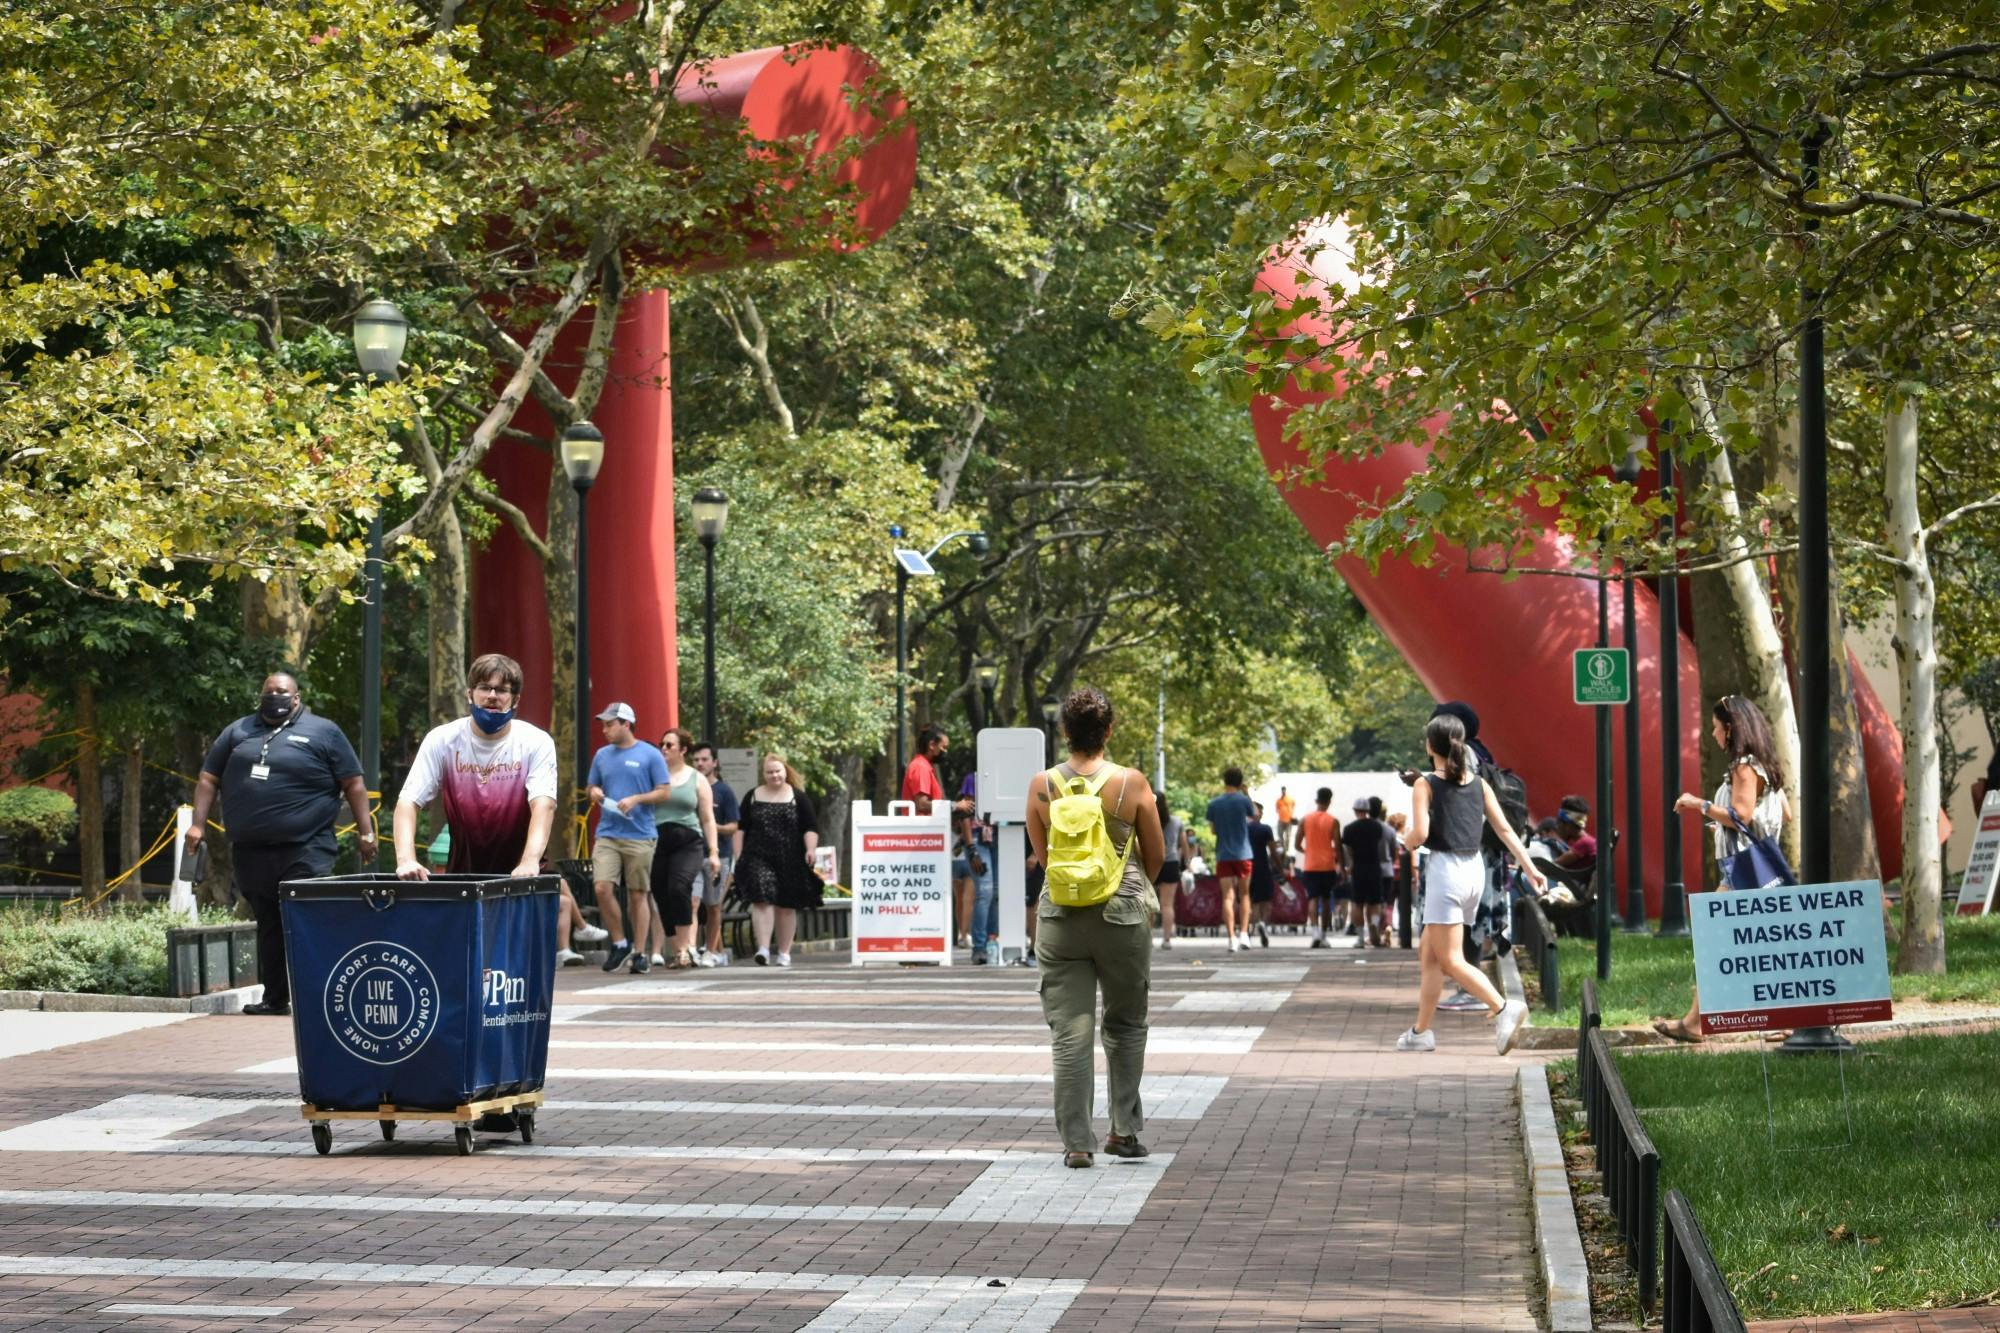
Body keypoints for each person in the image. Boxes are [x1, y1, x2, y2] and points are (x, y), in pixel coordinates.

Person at [1026, 687, 1165, 1169]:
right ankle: (1123, 1132)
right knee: (1126, 1026)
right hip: (1121, 914)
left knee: (1070, 1032)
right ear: (1108, 731)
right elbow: (1158, 854)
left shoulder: (1042, 784)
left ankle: (1077, 1143)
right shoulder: (1132, 783)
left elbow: (1043, 857)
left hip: (1060, 917)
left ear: (1064, 731)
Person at [187, 672, 373, 1018]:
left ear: (297, 698)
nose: (275, 696)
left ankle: (320, 997)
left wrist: (366, 831)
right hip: (251, 849)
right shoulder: (238, 731)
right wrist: (198, 824)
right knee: (269, 923)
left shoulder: (324, 732)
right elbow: (208, 778)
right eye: (269, 692)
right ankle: (275, 998)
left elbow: (354, 784)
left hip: (306, 847)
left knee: (305, 918)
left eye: (282, 692)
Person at [1395, 713, 1546, 1054]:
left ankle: (1503, 1008)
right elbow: (1506, 830)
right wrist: (1530, 868)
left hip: (1446, 872)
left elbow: (1418, 835)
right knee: (1429, 954)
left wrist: (1405, 841)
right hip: (1473, 871)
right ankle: (1420, 1033)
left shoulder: (1425, 784)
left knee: (1450, 960)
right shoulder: (1479, 783)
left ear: (1430, 745)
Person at [1654, 694, 1793, 1043]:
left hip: (1746, 871)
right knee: (1746, 944)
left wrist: (1697, 804)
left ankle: (1698, 1023)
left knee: (1714, 938)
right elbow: (1782, 814)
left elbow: (1741, 815)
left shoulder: (1743, 767)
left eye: (1716, 728)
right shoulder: (1765, 766)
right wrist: (1727, 829)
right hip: (1757, 870)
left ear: (1730, 729)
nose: (1713, 735)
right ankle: (1696, 1021)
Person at [394, 654, 559, 885]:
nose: (492, 696)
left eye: (501, 690)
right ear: (470, 693)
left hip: (521, 879)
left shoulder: (535, 741)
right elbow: (408, 802)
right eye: (484, 688)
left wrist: (530, 861)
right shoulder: (442, 740)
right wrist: (406, 860)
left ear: (515, 699)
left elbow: (544, 805)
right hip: (462, 877)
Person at [584, 703, 668, 973]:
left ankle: (639, 953)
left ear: (626, 724)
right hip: (608, 832)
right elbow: (591, 786)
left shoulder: (650, 754)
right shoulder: (601, 755)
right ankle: (619, 942)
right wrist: (594, 792)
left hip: (640, 834)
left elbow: (664, 792)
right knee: (601, 888)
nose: (604, 729)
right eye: (604, 724)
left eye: (610, 724)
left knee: (637, 894)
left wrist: (636, 799)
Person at [732, 753, 820, 967]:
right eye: (769, 772)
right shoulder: (752, 796)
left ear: (785, 771)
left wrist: (810, 849)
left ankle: (784, 952)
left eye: (777, 771)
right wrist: (739, 856)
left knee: (786, 905)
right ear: (764, 774)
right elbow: (740, 828)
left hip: (790, 855)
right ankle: (762, 949)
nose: (774, 775)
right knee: (761, 898)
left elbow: (810, 827)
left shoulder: (797, 796)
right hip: (757, 855)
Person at [646, 727, 722, 971]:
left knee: (679, 887)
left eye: (669, 745)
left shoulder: (696, 778)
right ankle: (679, 949)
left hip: (689, 841)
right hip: (658, 840)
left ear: (683, 750)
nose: (664, 749)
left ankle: (685, 948)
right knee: (660, 892)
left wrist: (714, 852)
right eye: (662, 744)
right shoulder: (654, 776)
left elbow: (708, 818)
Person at [689, 741, 741, 967]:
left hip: (719, 857)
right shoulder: (688, 788)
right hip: (691, 854)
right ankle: (689, 949)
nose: (700, 764)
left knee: (713, 906)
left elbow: (733, 827)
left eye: (704, 759)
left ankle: (710, 951)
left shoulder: (724, 791)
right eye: (696, 760)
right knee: (691, 902)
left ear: (714, 763)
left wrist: (710, 827)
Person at [1206, 768, 1256, 952]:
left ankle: (1231, 938)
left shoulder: (1215, 803)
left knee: (1227, 897)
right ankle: (1244, 934)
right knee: (1244, 894)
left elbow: (1213, 830)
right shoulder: (1243, 800)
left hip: (1223, 854)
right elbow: (1255, 815)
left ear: (1224, 781)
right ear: (1240, 781)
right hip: (1243, 854)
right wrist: (1247, 792)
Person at [957, 772, 1001, 963]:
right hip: (978, 839)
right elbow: (965, 813)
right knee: (985, 891)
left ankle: (993, 943)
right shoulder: (973, 778)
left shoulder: (1005, 776)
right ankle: (980, 947)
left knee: (996, 893)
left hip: (1001, 837)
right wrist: (971, 848)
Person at [1340, 797, 1387, 942]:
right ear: (1368, 810)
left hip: (1358, 868)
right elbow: (1379, 845)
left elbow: (1348, 849)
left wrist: (1351, 862)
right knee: (1375, 902)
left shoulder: (1349, 829)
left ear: (1355, 811)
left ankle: (1360, 938)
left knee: (1357, 903)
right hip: (1374, 866)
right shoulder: (1377, 827)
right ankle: (1373, 925)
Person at [1299, 788, 1341, 946]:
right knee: (1325, 899)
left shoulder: (1305, 819)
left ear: (1317, 800)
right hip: (1327, 865)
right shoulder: (1333, 821)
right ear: (1329, 801)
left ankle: (1315, 932)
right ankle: (1323, 935)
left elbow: (1297, 844)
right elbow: (1337, 846)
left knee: (1312, 898)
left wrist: (1308, 851)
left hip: (1310, 865)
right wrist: (1341, 866)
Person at [1155, 810, 1193, 949]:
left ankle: (1147, 941)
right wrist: (1188, 863)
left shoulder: (1147, 816)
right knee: (1167, 905)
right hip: (1171, 863)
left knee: (1148, 904)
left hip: (1150, 862)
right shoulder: (1176, 821)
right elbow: (1184, 844)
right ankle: (1166, 940)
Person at [1247, 800, 1279, 947]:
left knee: (1252, 901)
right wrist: (1279, 866)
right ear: (1259, 814)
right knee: (1266, 900)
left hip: (1247, 867)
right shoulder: (1265, 829)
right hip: (1263, 867)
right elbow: (1273, 851)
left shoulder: (1243, 829)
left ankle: (1254, 924)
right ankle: (1263, 924)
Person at [1554, 797, 1596, 872]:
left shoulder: (1585, 843)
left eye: (1559, 823)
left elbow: (1551, 866)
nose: (1557, 827)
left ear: (1568, 825)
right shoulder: (1589, 841)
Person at [1275, 786, 1297, 856]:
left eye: (1284, 790)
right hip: (1281, 820)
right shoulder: (1278, 800)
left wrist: (1290, 814)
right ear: (1281, 791)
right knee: (1279, 834)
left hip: (1289, 820)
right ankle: (1283, 848)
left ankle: (1286, 850)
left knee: (1288, 836)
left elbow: (1293, 806)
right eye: (1282, 790)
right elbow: (1277, 809)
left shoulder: (1290, 799)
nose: (1283, 791)